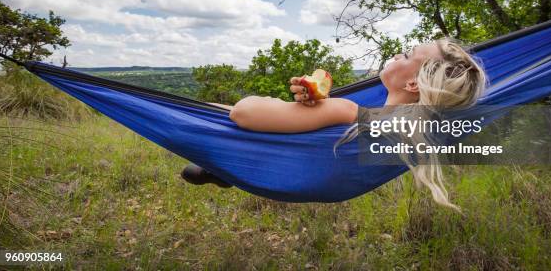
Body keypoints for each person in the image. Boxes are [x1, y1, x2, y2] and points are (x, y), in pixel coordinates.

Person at [181, 37, 487, 209]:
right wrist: (310, 108)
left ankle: (227, 163)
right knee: (213, 110)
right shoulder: (415, 133)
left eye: (407, 55)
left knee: (236, 110)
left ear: (412, 85)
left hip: (288, 166)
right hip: (318, 176)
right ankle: (223, 168)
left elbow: (243, 114)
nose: (396, 54)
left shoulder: (348, 112)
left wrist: (281, 105)